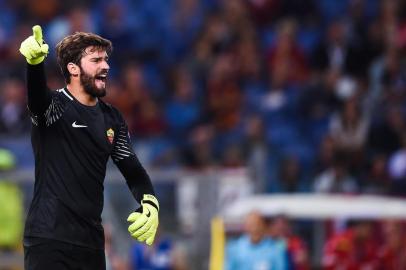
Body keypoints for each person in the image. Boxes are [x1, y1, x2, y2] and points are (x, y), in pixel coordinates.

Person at [19, 25, 160, 270]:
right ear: (73, 68)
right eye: (96, 60)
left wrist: (149, 202)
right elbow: (37, 101)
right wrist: (34, 65)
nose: (105, 66)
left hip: (92, 244)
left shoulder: (112, 118)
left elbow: (133, 171)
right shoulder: (55, 106)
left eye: (105, 59)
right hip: (49, 239)